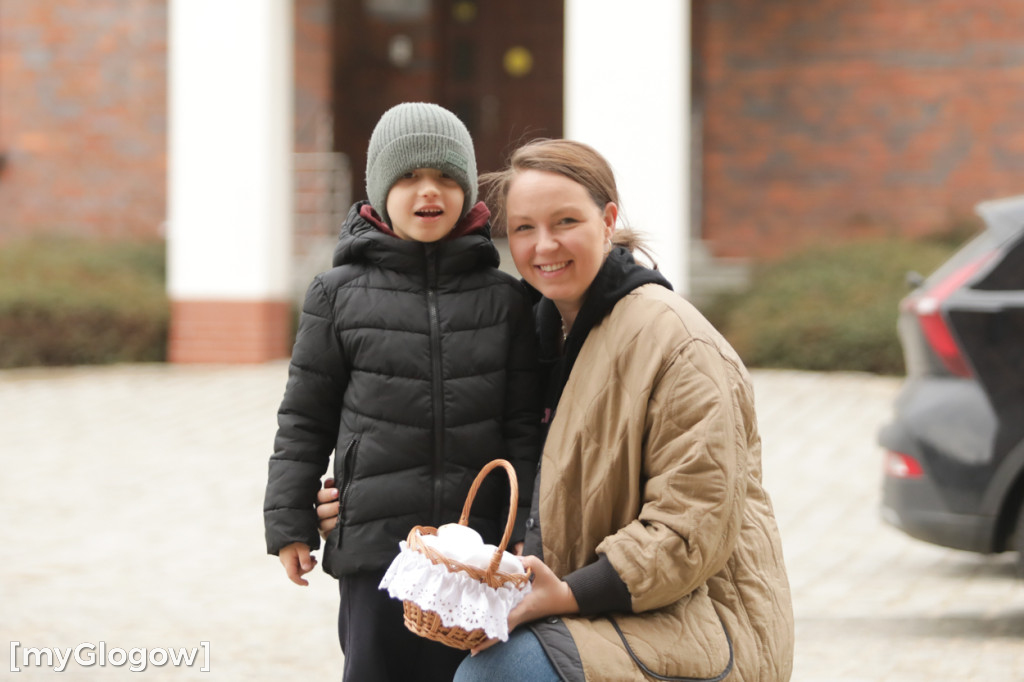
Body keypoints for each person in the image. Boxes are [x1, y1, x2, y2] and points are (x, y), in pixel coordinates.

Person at [319, 138, 795, 681]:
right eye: (523, 228)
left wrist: (568, 593)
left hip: (689, 620)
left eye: (565, 221)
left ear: (608, 219)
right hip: (573, 601)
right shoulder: (535, 330)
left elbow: (688, 528)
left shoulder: (678, 343)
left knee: (496, 674)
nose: (544, 245)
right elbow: (463, 446)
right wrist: (351, 492)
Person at [263, 102, 542, 682]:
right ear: (378, 190)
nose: (428, 192)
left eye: (445, 177)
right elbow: (304, 418)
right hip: (376, 548)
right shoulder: (336, 294)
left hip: (476, 553)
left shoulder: (507, 300)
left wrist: (523, 531)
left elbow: (522, 425)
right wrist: (290, 519)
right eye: (409, 177)